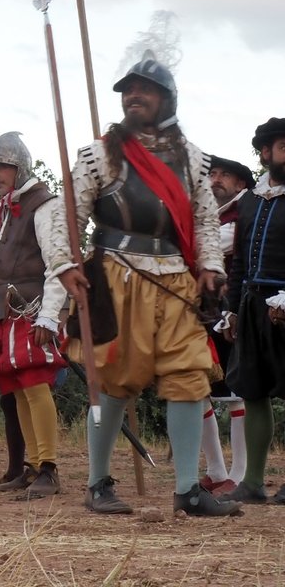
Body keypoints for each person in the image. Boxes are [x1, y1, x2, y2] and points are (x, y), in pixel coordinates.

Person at [64, 54, 240, 516]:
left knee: (188, 378)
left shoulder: (194, 159)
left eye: (144, 88)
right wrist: (66, 266)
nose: (133, 95)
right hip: (117, 276)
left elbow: (205, 220)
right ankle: (98, 483)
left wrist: (209, 267)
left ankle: (187, 489)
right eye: (127, 89)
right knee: (115, 383)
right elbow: (67, 218)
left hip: (176, 281)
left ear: (167, 98)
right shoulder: (99, 153)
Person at [0, 132, 72, 498]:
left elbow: (58, 263)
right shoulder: (2, 211)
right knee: (17, 387)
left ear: (20, 166)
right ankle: (35, 465)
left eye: (1, 167)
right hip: (4, 309)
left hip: (32, 306)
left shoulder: (44, 204)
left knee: (35, 383)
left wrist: (50, 316)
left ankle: (48, 468)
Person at [223, 120, 285, 505]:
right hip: (251, 306)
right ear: (265, 152)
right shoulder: (249, 201)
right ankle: (253, 481)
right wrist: (230, 310)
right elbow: (238, 264)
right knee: (254, 391)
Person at [200, 155, 253, 494]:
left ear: (241, 184)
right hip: (203, 312)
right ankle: (217, 470)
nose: (216, 179)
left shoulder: (243, 213)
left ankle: (241, 472)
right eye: (212, 174)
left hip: (234, 311)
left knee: (237, 394)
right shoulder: (207, 217)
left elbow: (213, 249)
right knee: (199, 389)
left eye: (225, 175)